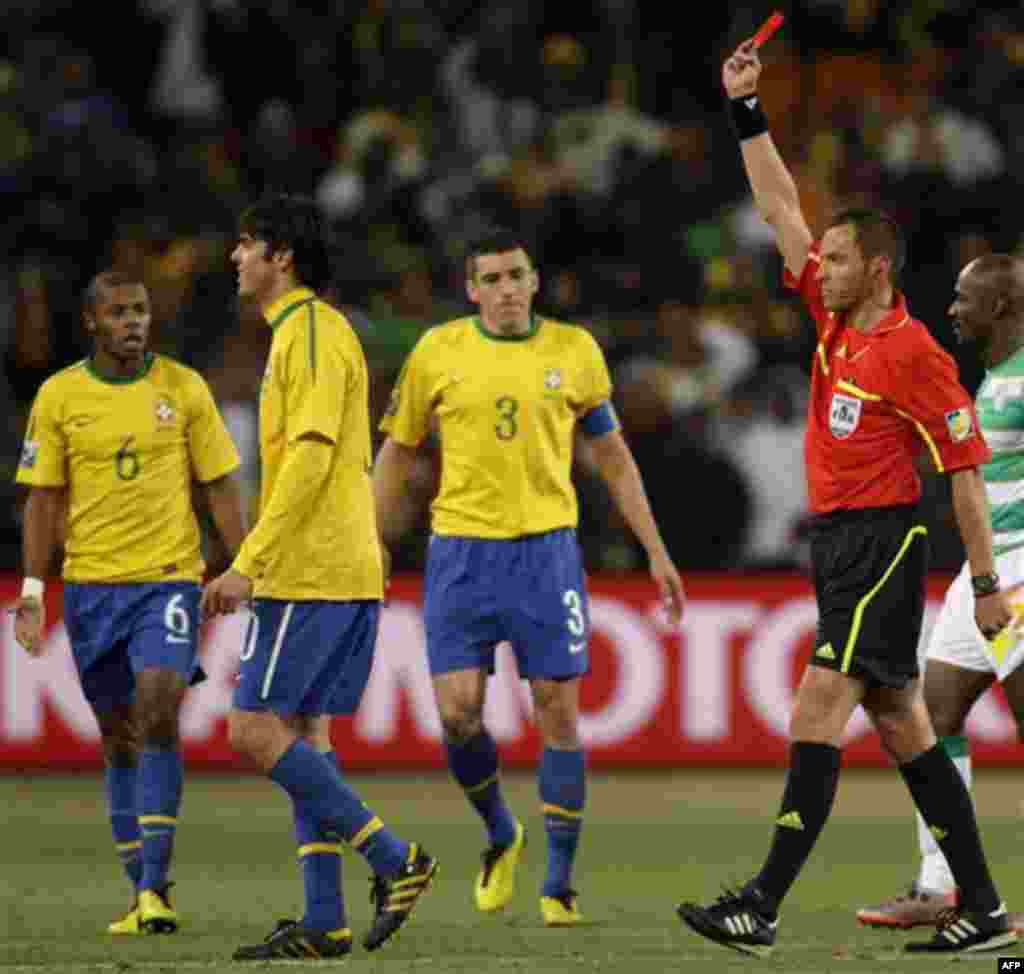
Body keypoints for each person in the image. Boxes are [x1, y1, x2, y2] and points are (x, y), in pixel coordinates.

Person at [676, 38, 1019, 958]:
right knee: (905, 727)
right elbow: (779, 204)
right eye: (818, 258)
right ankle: (985, 907)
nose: (813, 266)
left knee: (815, 709)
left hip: (880, 544)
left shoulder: (915, 356)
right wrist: (746, 110)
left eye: (832, 259)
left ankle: (763, 903)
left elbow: (964, 471)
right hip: (840, 543)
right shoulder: (832, 319)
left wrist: (985, 580)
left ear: (875, 269)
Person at [373, 228, 685, 926]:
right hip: (460, 551)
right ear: (472, 288)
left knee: (556, 705)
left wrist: (656, 551)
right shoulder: (438, 352)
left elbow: (614, 459)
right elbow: (397, 452)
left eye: (517, 275)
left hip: (546, 553)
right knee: (457, 712)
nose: (507, 288)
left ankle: (560, 883)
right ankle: (500, 833)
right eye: (493, 278)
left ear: (535, 280)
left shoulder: (573, 351)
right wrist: (371, 540)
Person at [201, 194, 437, 962]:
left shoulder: (305, 332)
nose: (235, 257)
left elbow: (307, 456)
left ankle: (395, 858)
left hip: (313, 568)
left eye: (246, 243)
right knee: (303, 733)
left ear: (282, 257)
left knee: (252, 728)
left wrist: (249, 561)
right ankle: (325, 919)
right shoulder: (317, 334)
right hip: (338, 561)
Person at [12, 270, 246, 935]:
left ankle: (155, 887)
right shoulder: (59, 396)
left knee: (159, 702)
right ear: (92, 321)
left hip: (169, 580)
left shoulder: (184, 388)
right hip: (91, 590)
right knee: (118, 737)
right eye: (118, 313)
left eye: (140, 310)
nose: (133, 322)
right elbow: (44, 500)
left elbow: (219, 485)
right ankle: (140, 889)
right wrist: (33, 593)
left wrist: (249, 564)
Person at [857, 255, 1024, 934]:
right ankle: (941, 886)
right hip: (984, 572)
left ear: (1004, 307)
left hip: (1017, 576)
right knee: (930, 717)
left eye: (963, 299)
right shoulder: (991, 380)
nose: (951, 308)